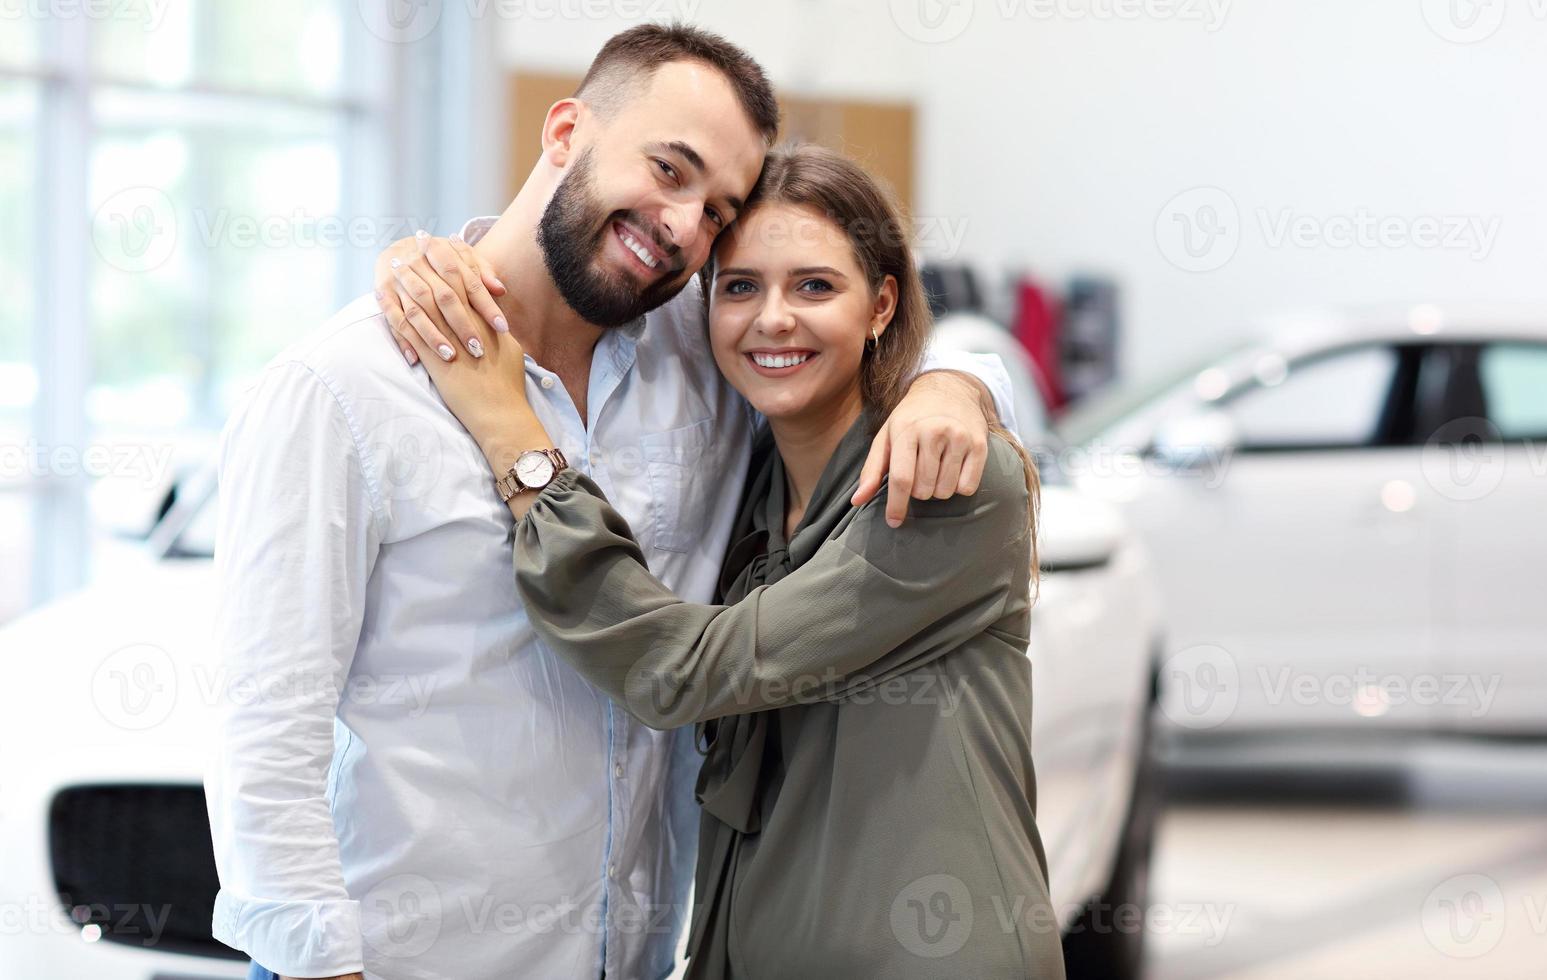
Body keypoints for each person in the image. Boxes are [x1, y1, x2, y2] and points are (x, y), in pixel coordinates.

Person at [207, 24, 1018, 980]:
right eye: (667, 170)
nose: (682, 226)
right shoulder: (344, 388)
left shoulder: (705, 356)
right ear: (564, 133)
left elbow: (846, 338)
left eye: (717, 211)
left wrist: (957, 384)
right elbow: (267, 726)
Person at [394, 143, 1063, 979]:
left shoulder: (941, 484)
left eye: (814, 286)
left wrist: (515, 440)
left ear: (881, 304)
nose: (771, 319)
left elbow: (680, 670)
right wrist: (425, 261)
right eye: (739, 287)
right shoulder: (749, 481)